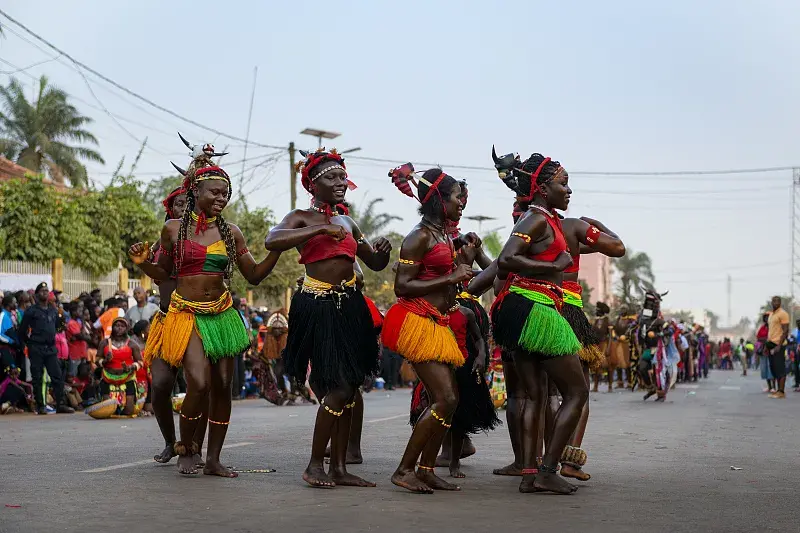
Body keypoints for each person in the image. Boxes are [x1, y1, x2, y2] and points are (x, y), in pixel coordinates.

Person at [129, 136, 282, 477]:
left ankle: (213, 459)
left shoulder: (232, 232)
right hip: (186, 315)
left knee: (222, 387)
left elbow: (254, 275)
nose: (220, 198)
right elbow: (163, 272)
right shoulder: (172, 229)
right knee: (198, 383)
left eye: (225, 194)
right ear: (195, 193)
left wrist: (276, 249)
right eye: (214, 192)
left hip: (222, 313)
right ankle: (186, 448)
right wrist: (142, 263)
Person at [265, 147, 391, 489]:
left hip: (349, 306)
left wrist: (382, 253)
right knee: (337, 387)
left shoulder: (347, 222)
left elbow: (375, 264)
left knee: (349, 387)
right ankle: (313, 465)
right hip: (317, 307)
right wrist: (318, 233)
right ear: (313, 183)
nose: (341, 183)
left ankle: (338, 467)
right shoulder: (300, 218)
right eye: (332, 178)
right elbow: (272, 239)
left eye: (342, 177)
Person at [491, 152, 588, 495]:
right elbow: (505, 260)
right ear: (544, 188)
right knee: (577, 391)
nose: (569, 190)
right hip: (536, 309)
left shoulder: (544, 218)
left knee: (536, 396)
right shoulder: (535, 220)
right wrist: (554, 267)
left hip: (522, 308)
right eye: (564, 184)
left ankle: (530, 473)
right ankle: (548, 469)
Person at [381, 163, 473, 494]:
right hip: (415, 319)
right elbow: (402, 286)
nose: (460, 203)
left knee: (449, 398)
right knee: (445, 398)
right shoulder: (418, 236)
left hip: (438, 320)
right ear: (438, 200)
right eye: (455, 198)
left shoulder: (444, 235)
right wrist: (452, 276)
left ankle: (426, 468)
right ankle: (404, 469)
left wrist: (467, 259)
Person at [19, 282, 74, 415]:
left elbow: (58, 327)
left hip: (50, 348)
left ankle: (60, 404)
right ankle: (40, 405)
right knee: (37, 377)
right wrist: (29, 343)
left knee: (57, 376)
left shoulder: (53, 310)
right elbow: (22, 330)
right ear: (37, 294)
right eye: (42, 290)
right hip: (36, 347)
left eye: (46, 290)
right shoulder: (31, 311)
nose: (45, 292)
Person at [97, 317, 143, 416]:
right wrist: (105, 361)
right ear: (112, 327)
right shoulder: (104, 343)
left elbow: (140, 362)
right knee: (108, 410)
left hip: (127, 378)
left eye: (122, 326)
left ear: (126, 329)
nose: (119, 328)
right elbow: (97, 360)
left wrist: (130, 367)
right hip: (108, 378)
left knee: (129, 412)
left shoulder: (132, 344)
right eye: (117, 325)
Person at [766, 296, 790, 399]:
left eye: (777, 301)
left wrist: (779, 346)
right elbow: (771, 331)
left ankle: (781, 391)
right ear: (772, 302)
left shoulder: (783, 314)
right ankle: (777, 390)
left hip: (778, 344)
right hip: (771, 343)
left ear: (780, 303)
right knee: (773, 368)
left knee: (780, 368)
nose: (775, 303)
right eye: (774, 301)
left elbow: (785, 331)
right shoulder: (771, 314)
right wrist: (766, 346)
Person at [755, 314, 773, 392]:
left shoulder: (773, 327)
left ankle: (773, 387)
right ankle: (769, 387)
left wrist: (766, 340)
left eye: (768, 318)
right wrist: (765, 339)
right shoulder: (762, 327)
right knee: (764, 368)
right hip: (762, 351)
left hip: (771, 350)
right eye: (765, 318)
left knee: (771, 367)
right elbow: (758, 337)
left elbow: (773, 337)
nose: (766, 319)